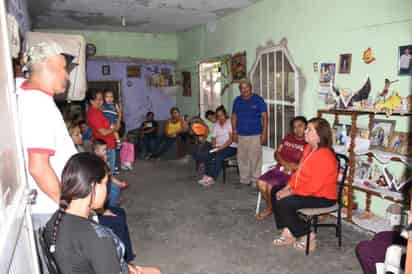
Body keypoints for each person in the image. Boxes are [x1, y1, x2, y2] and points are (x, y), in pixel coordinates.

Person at [45, 153, 161, 274]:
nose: (108, 190)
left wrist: (123, 266)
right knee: (156, 272)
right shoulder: (99, 238)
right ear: (93, 186)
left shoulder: (54, 220)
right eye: (106, 184)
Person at [16, 42, 77, 228]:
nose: (67, 75)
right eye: (64, 69)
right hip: (49, 207)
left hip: (46, 204)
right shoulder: (38, 105)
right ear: (49, 66)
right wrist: (68, 208)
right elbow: (38, 167)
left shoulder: (23, 91)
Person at [272, 118, 338, 252]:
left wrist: (291, 192)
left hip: (323, 197)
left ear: (319, 136)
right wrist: (287, 187)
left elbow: (314, 186)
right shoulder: (309, 148)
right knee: (276, 190)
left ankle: (306, 235)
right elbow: (298, 173)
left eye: (309, 129)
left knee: (285, 202)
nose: (305, 132)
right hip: (308, 191)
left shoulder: (325, 155)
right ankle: (288, 232)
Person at [256, 116, 307, 220]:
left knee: (271, 187)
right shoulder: (288, 137)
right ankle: (271, 207)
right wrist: (284, 164)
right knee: (260, 183)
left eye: (300, 126)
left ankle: (273, 208)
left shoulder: (308, 143)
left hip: (293, 174)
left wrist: (291, 167)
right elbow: (277, 153)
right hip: (279, 168)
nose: (297, 129)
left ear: (306, 126)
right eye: (295, 127)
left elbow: (305, 164)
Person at [231, 80, 268, 187]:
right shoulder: (237, 100)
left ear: (250, 88)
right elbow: (234, 116)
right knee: (242, 158)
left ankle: (255, 181)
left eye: (246, 87)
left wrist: (264, 133)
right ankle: (244, 179)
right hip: (241, 134)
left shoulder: (258, 100)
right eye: (242, 88)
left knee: (255, 158)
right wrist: (234, 131)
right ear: (240, 90)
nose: (244, 90)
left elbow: (265, 117)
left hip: (255, 134)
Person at [198, 106, 237, 186]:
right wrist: (214, 145)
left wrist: (220, 148)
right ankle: (206, 175)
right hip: (219, 147)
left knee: (218, 156)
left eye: (221, 115)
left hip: (231, 147)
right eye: (218, 116)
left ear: (225, 114)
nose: (220, 117)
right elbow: (213, 137)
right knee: (207, 154)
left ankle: (212, 178)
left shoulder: (229, 122)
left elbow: (231, 140)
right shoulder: (216, 125)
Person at [87, 89, 119, 173]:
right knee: (108, 173)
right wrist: (115, 127)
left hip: (107, 144)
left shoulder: (99, 110)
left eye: (102, 99)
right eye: (99, 99)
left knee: (107, 173)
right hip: (105, 147)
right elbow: (103, 132)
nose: (102, 101)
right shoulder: (94, 113)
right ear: (91, 101)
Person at [93, 139, 127, 207]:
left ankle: (114, 201)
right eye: (104, 150)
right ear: (96, 151)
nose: (106, 151)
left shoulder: (102, 159)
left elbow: (109, 175)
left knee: (116, 188)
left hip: (107, 182)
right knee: (114, 190)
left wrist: (118, 183)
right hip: (101, 185)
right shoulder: (96, 162)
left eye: (106, 149)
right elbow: (107, 175)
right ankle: (112, 206)